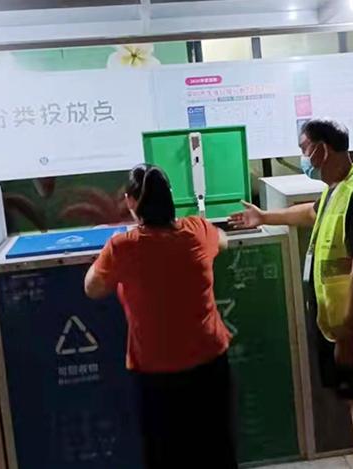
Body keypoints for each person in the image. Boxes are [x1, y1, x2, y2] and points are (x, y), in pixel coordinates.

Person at [229, 119, 353, 464]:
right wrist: (264, 217)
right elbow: (310, 213)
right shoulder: (336, 190)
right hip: (342, 323)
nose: (302, 157)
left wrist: (348, 332)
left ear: (322, 150)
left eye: (304, 149)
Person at [84, 164, 237, 469]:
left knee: (164, 455)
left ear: (131, 201)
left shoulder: (123, 247)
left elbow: (93, 287)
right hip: (210, 363)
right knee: (217, 449)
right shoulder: (197, 231)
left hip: (156, 372)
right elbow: (223, 240)